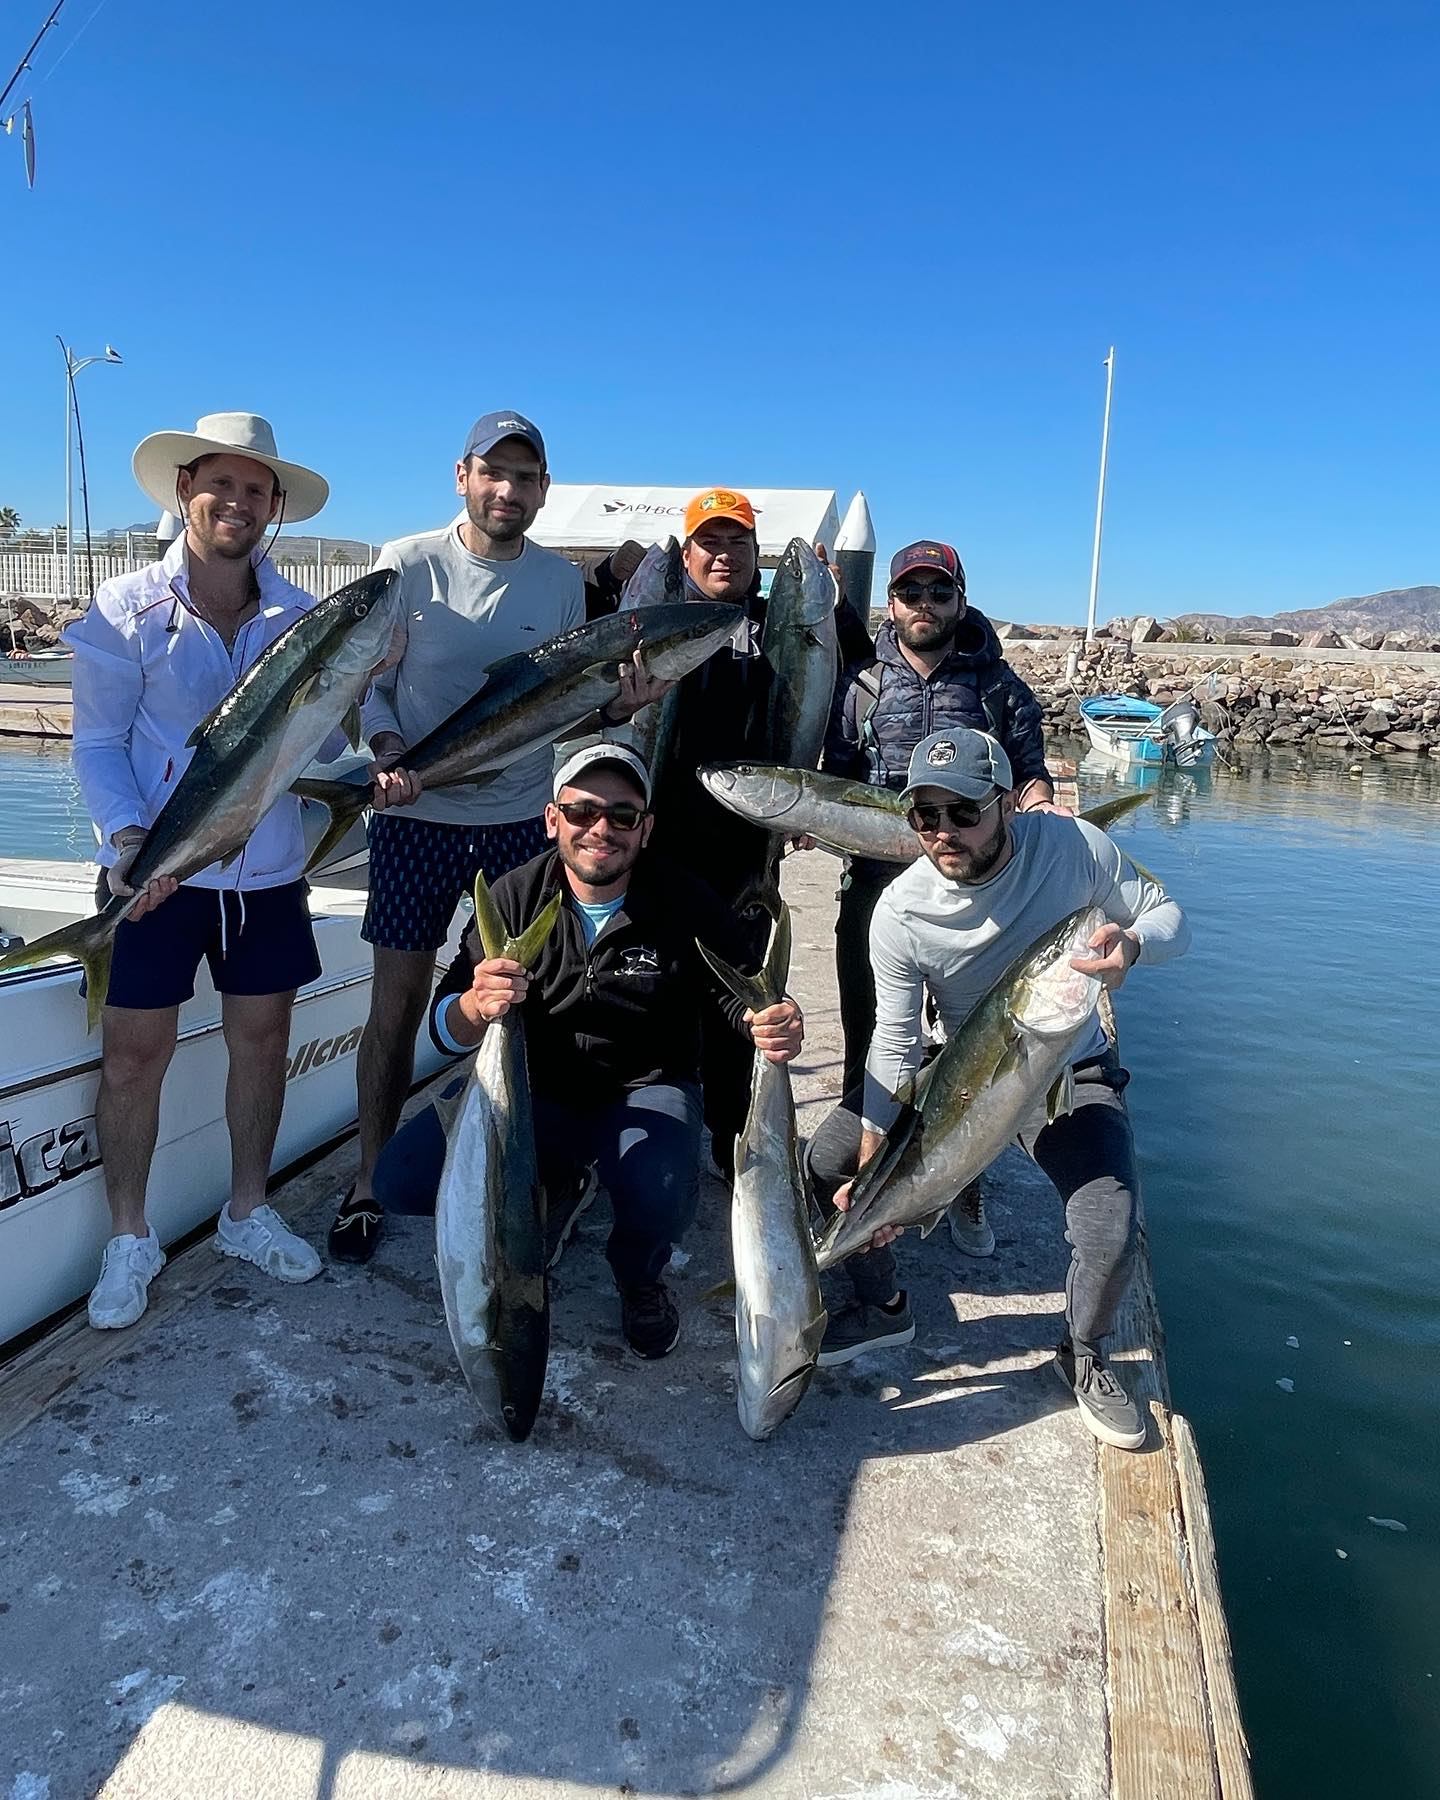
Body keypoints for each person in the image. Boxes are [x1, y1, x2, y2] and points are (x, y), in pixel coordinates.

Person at [328, 412, 663, 1263]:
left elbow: (552, 704)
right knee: (396, 1004)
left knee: (526, 1004)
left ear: (544, 489)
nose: (508, 491)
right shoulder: (405, 563)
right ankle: (368, 1178)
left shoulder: (557, 584)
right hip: (412, 815)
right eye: (494, 473)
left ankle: (513, 1167)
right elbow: (368, 683)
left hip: (519, 822)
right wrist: (389, 750)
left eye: (526, 477)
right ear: (462, 475)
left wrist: (616, 710)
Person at [804, 728, 1190, 1451]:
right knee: (827, 1161)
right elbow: (894, 1038)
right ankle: (882, 1301)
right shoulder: (901, 912)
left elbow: (1169, 916)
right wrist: (873, 1155)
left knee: (1109, 1226)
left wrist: (1132, 946)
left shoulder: (1073, 847)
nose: (943, 832)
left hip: (1069, 1065)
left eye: (964, 812)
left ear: (1007, 805)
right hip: (964, 1070)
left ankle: (1082, 1353)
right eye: (925, 815)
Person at [370, 739, 804, 1357]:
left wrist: (772, 1020)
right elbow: (443, 1027)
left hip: (643, 1088)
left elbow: (736, 996)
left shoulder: (685, 900)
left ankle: (638, 1273)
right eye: (581, 812)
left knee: (663, 1188)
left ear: (646, 828)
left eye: (622, 816)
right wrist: (475, 1004)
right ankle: (553, 1187)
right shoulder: (512, 897)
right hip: (532, 1090)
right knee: (401, 1181)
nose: (601, 829)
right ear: (552, 819)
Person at [66, 412, 338, 1329]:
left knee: (262, 1042)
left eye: (256, 490)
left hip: (265, 875)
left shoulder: (306, 621)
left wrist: (375, 678)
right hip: (153, 876)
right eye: (220, 484)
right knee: (133, 1057)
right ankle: (129, 1236)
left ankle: (248, 1210)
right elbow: (100, 742)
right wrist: (128, 841)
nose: (237, 502)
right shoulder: (119, 610)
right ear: (185, 490)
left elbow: (327, 738)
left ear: (276, 509)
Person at [821, 540, 1058, 1255]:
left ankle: (963, 1182)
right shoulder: (861, 682)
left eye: (937, 593)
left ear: (960, 597)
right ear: (889, 603)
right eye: (909, 593)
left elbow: (1031, 776)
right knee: (872, 1037)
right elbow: (836, 777)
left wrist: (1045, 809)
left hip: (977, 894)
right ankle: (871, 1178)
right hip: (876, 887)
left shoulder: (998, 685)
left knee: (971, 1047)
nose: (923, 606)